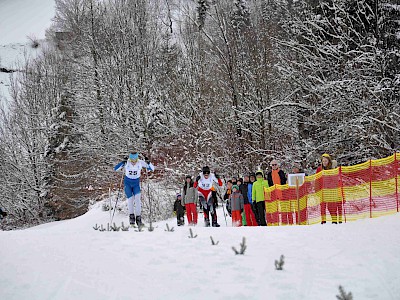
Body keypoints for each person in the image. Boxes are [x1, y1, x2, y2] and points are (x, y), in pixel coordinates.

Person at [114, 152, 155, 227]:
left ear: (137, 158)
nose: (133, 162)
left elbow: (152, 168)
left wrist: (149, 163)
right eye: (132, 160)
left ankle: (139, 220)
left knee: (138, 200)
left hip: (136, 183)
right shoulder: (127, 163)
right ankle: (131, 219)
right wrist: (122, 162)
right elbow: (116, 169)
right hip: (128, 183)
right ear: (130, 159)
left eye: (135, 160)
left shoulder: (140, 162)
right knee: (130, 199)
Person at [316, 153, 341, 224]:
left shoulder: (332, 169)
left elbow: (335, 180)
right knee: (322, 206)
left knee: (331, 206)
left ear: (329, 161)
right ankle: (323, 221)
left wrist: (329, 186)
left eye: (325, 161)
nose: (324, 162)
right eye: (323, 161)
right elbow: (317, 180)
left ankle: (334, 220)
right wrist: (317, 190)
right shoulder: (319, 169)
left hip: (331, 191)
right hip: (322, 191)